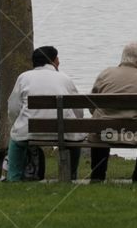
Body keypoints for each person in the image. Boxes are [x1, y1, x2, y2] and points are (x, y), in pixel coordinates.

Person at [5, 46, 84, 181]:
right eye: (57, 59)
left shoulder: (24, 78)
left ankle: (13, 177)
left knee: (16, 139)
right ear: (53, 61)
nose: (59, 62)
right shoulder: (64, 78)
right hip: (64, 132)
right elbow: (78, 111)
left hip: (29, 130)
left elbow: (13, 109)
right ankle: (70, 176)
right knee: (75, 138)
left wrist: (18, 124)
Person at [89, 41, 137, 183]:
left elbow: (92, 106)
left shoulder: (105, 74)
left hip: (104, 133)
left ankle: (97, 177)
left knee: (99, 125)